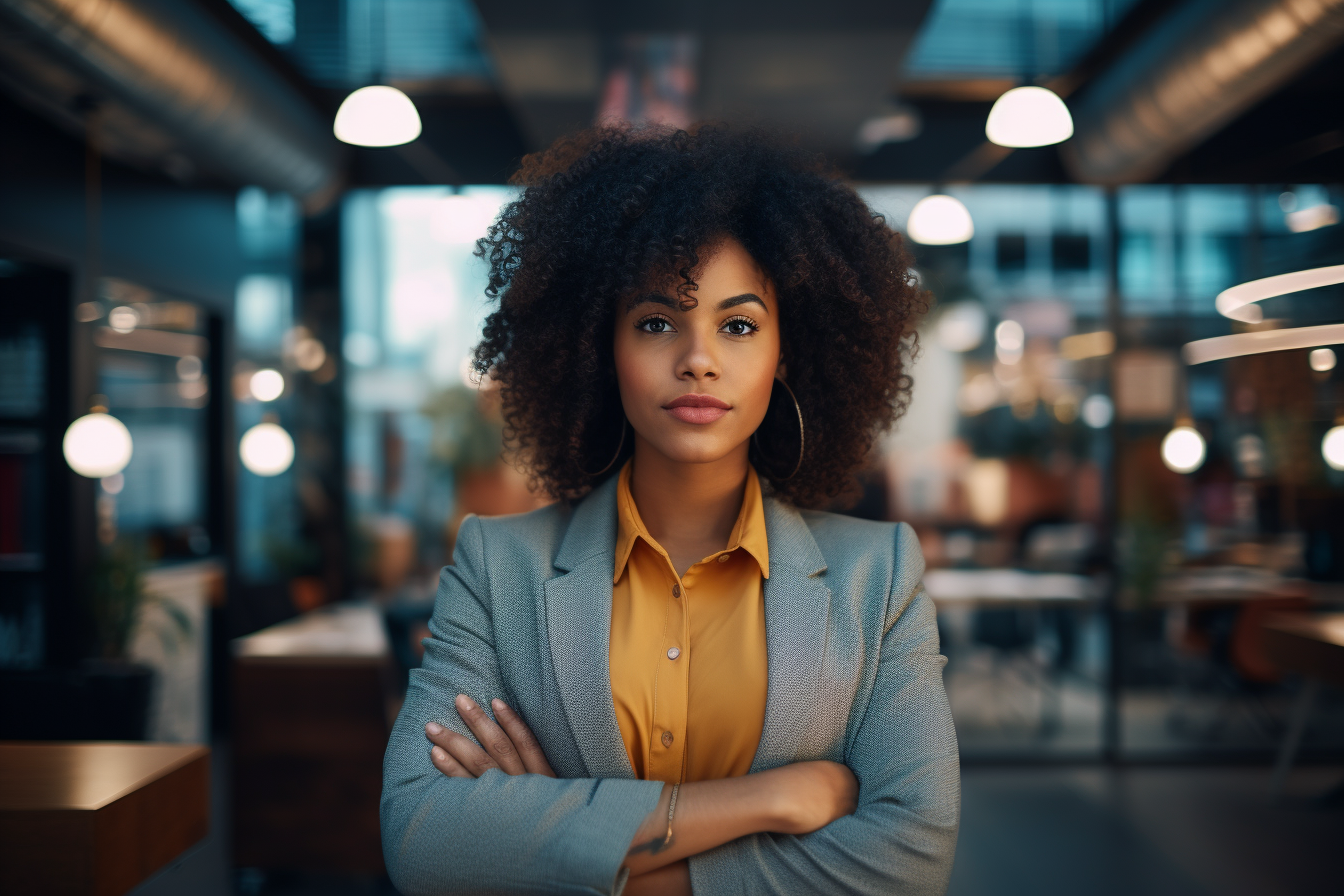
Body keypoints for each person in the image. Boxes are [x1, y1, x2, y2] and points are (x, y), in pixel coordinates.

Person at [381, 125, 959, 896]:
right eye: (656, 322)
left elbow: (913, 854)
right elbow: (423, 838)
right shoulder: (496, 566)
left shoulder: (876, 577)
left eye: (739, 324)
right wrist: (773, 799)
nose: (697, 357)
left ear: (785, 352)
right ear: (600, 344)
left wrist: (566, 839)